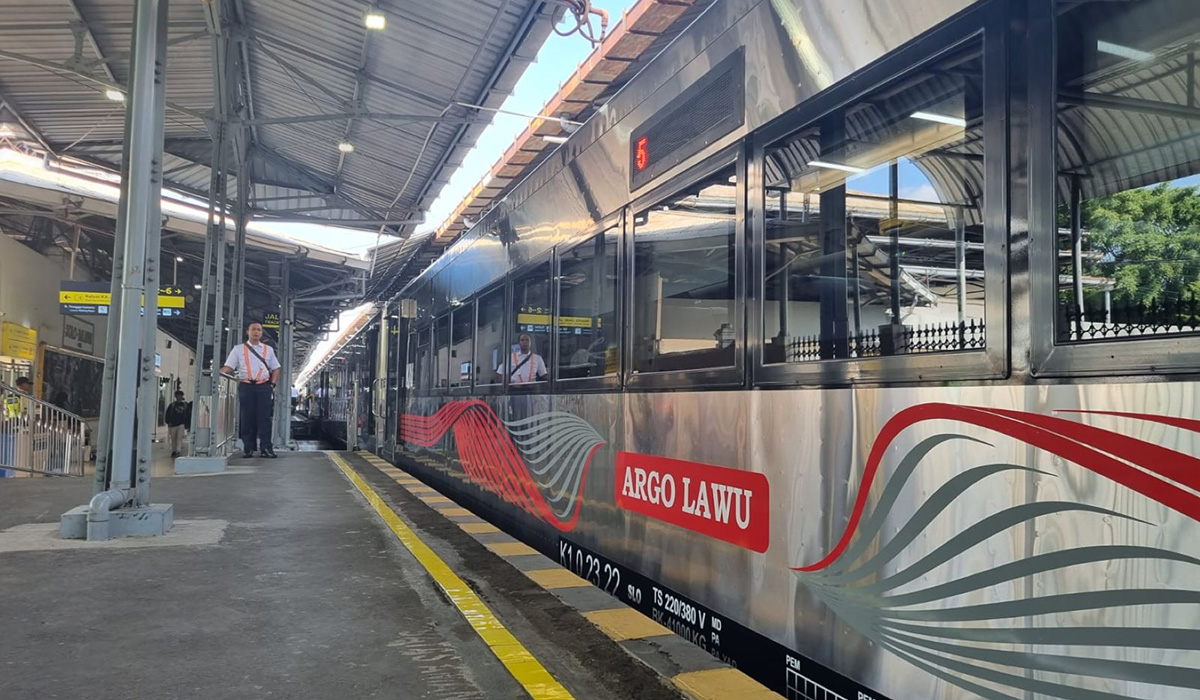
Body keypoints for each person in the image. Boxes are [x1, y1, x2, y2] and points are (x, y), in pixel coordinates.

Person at [219, 321, 281, 458]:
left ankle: (266, 447)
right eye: (253, 329)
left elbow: (276, 368)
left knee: (264, 418)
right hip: (246, 386)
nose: (256, 332)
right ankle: (249, 448)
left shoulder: (268, 350)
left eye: (259, 329)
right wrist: (216, 375)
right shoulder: (238, 349)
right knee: (247, 417)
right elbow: (229, 367)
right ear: (248, 332)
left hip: (264, 386)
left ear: (261, 332)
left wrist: (272, 384)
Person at [164, 390, 191, 458]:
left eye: (180, 395)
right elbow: (167, 414)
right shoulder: (172, 405)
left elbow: (188, 415)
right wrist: (168, 422)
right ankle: (174, 451)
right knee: (173, 438)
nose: (179, 397)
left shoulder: (185, 405)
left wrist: (187, 424)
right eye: (178, 395)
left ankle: (178, 451)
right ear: (176, 396)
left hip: (181, 424)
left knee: (179, 438)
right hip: (172, 424)